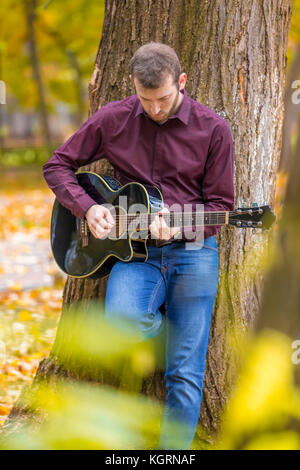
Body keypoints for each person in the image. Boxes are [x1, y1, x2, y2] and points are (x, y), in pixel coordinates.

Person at [43, 42, 234, 449]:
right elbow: (57, 165)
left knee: (184, 375)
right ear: (133, 85)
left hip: (193, 250)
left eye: (163, 98)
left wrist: (177, 228)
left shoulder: (213, 129)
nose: (155, 109)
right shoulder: (113, 119)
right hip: (134, 254)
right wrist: (88, 208)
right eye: (146, 100)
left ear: (181, 82)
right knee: (123, 324)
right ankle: (181, 343)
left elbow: (220, 207)